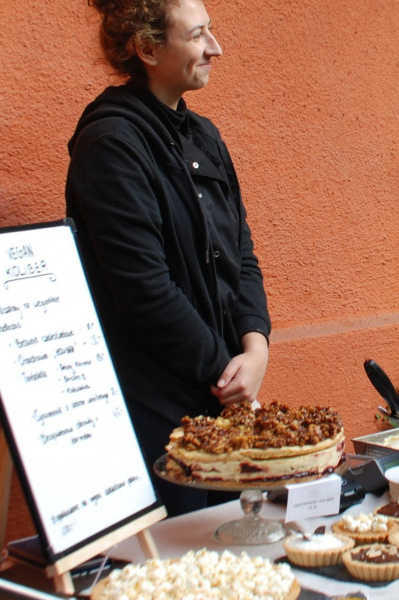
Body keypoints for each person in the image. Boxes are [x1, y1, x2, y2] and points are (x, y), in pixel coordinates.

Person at [66, 0, 271, 516]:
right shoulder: (112, 143)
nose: (215, 48)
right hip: (155, 415)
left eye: (211, 31)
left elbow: (241, 253)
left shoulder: (206, 136)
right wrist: (229, 373)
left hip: (222, 399)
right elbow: (143, 291)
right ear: (148, 48)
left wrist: (256, 345)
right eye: (198, 35)